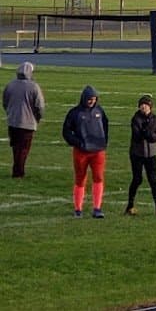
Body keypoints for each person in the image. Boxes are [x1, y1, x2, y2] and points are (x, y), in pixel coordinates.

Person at [62, 85, 109, 219]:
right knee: (80, 179)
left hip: (98, 151)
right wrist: (77, 143)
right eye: (90, 99)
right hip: (81, 152)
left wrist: (104, 142)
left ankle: (97, 208)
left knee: (98, 177)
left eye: (94, 99)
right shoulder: (75, 113)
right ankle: (78, 208)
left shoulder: (100, 111)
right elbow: (66, 131)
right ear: (84, 98)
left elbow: (106, 126)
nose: (92, 101)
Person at [124, 94, 156, 217]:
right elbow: (137, 136)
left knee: (153, 179)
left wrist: (150, 135)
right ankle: (130, 205)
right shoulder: (136, 119)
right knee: (137, 179)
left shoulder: (155, 119)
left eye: (146, 105)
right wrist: (148, 133)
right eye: (142, 105)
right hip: (137, 153)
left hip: (151, 154)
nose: (143, 107)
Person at [3, 61, 45, 178]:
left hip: (12, 121)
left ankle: (17, 169)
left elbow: (5, 102)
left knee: (16, 148)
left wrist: (10, 113)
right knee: (23, 149)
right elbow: (39, 106)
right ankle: (18, 172)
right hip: (27, 123)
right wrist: (37, 118)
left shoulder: (10, 85)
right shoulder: (33, 86)